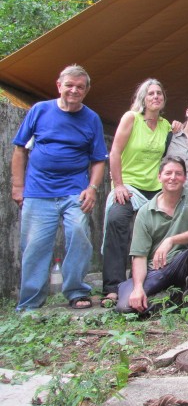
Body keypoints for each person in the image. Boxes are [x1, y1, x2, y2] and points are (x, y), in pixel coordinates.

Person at [11, 65, 108, 310]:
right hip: (38, 190)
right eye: (69, 85)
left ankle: (76, 290)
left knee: (79, 234)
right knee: (35, 246)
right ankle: (31, 303)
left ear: (86, 91)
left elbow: (98, 160)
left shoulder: (91, 118)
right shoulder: (40, 111)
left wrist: (93, 188)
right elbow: (20, 149)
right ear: (59, 85)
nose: (74, 90)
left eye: (80, 87)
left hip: (74, 190)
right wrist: (17, 186)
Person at [102, 78, 171, 307]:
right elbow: (114, 153)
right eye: (150, 93)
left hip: (156, 189)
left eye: (159, 93)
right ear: (143, 98)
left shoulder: (166, 125)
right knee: (116, 220)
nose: (155, 97)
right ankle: (112, 286)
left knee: (163, 227)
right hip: (129, 186)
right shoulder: (131, 118)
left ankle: (152, 282)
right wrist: (118, 184)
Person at [115, 157, 188, 313]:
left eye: (178, 174)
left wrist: (171, 240)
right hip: (157, 269)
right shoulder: (145, 212)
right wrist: (138, 287)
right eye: (168, 173)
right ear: (159, 177)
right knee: (125, 307)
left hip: (182, 263)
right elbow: (139, 255)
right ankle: (173, 301)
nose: (173, 177)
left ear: (185, 178)